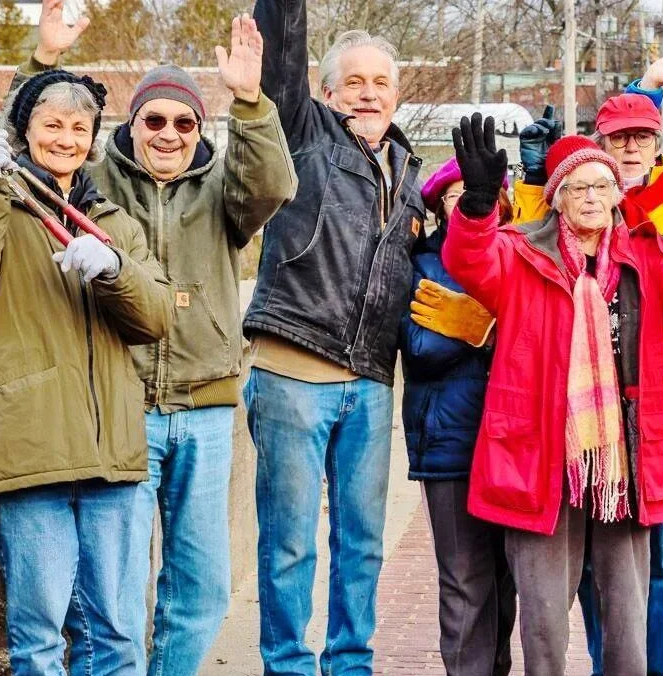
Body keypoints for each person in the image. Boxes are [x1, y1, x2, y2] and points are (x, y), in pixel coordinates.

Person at [15, 4, 297, 672]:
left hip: (207, 410)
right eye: (154, 120)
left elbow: (275, 184)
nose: (168, 134)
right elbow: (25, 153)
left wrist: (250, 101)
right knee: (116, 589)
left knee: (201, 584)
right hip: (124, 408)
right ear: (132, 124)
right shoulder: (96, 183)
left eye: (184, 122)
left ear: (199, 129)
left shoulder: (224, 189)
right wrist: (42, 61)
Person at [442, 114, 663, 675]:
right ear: (556, 199)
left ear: (617, 195)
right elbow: (468, 262)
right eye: (577, 187)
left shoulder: (644, 254)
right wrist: (477, 207)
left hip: (623, 455)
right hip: (540, 454)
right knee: (544, 614)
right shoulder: (519, 251)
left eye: (602, 186)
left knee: (627, 608)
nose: (591, 197)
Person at [0, 67, 173, 675]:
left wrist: (115, 269)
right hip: (30, 454)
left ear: (92, 139)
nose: (65, 138)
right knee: (38, 638)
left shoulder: (115, 222)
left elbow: (157, 317)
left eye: (78, 128)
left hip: (111, 454)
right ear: (24, 130)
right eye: (51, 124)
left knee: (118, 634)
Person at [516, 48, 663, 676]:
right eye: (617, 138)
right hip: (589, 416)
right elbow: (522, 258)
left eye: (642, 137)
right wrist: (533, 180)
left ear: (659, 145)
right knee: (600, 568)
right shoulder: (585, 201)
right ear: (599, 147)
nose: (629, 148)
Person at [249, 0, 429, 670]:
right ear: (328, 93)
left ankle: (350, 662)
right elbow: (281, 58)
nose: (369, 93)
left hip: (371, 380)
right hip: (293, 368)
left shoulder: (409, 175)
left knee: (363, 543)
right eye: (354, 82)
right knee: (290, 542)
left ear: (397, 95)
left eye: (381, 83)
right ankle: (288, 665)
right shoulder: (305, 134)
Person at [405, 158, 515, 676]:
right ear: (440, 209)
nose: (468, 202)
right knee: (465, 579)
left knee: (507, 577)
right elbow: (421, 347)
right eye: (454, 196)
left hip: (512, 442)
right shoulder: (424, 263)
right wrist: (489, 328)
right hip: (449, 441)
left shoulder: (520, 255)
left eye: (477, 192)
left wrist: (488, 327)